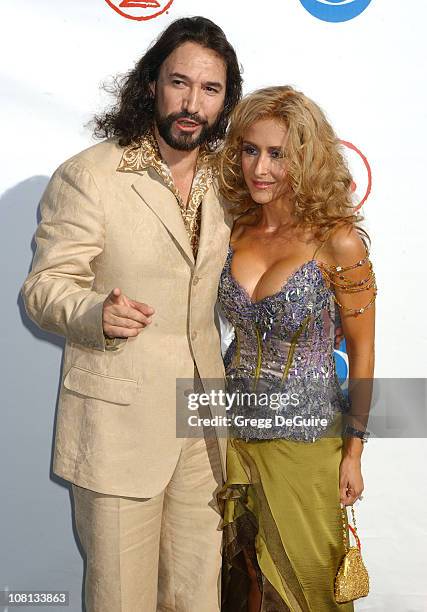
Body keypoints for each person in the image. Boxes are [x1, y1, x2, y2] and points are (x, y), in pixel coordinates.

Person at [21, 16, 242, 612]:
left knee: (197, 594)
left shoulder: (229, 183)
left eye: (211, 89)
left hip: (203, 423)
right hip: (119, 425)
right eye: (179, 82)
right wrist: (95, 313)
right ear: (151, 84)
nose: (192, 103)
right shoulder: (91, 174)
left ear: (225, 102)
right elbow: (44, 288)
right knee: (120, 597)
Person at [216, 86, 376, 611]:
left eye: (278, 154)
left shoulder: (338, 239)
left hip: (308, 447)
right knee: (240, 586)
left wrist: (353, 453)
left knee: (307, 592)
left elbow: (364, 353)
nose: (260, 167)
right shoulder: (232, 228)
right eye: (249, 149)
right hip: (229, 439)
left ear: (304, 157)